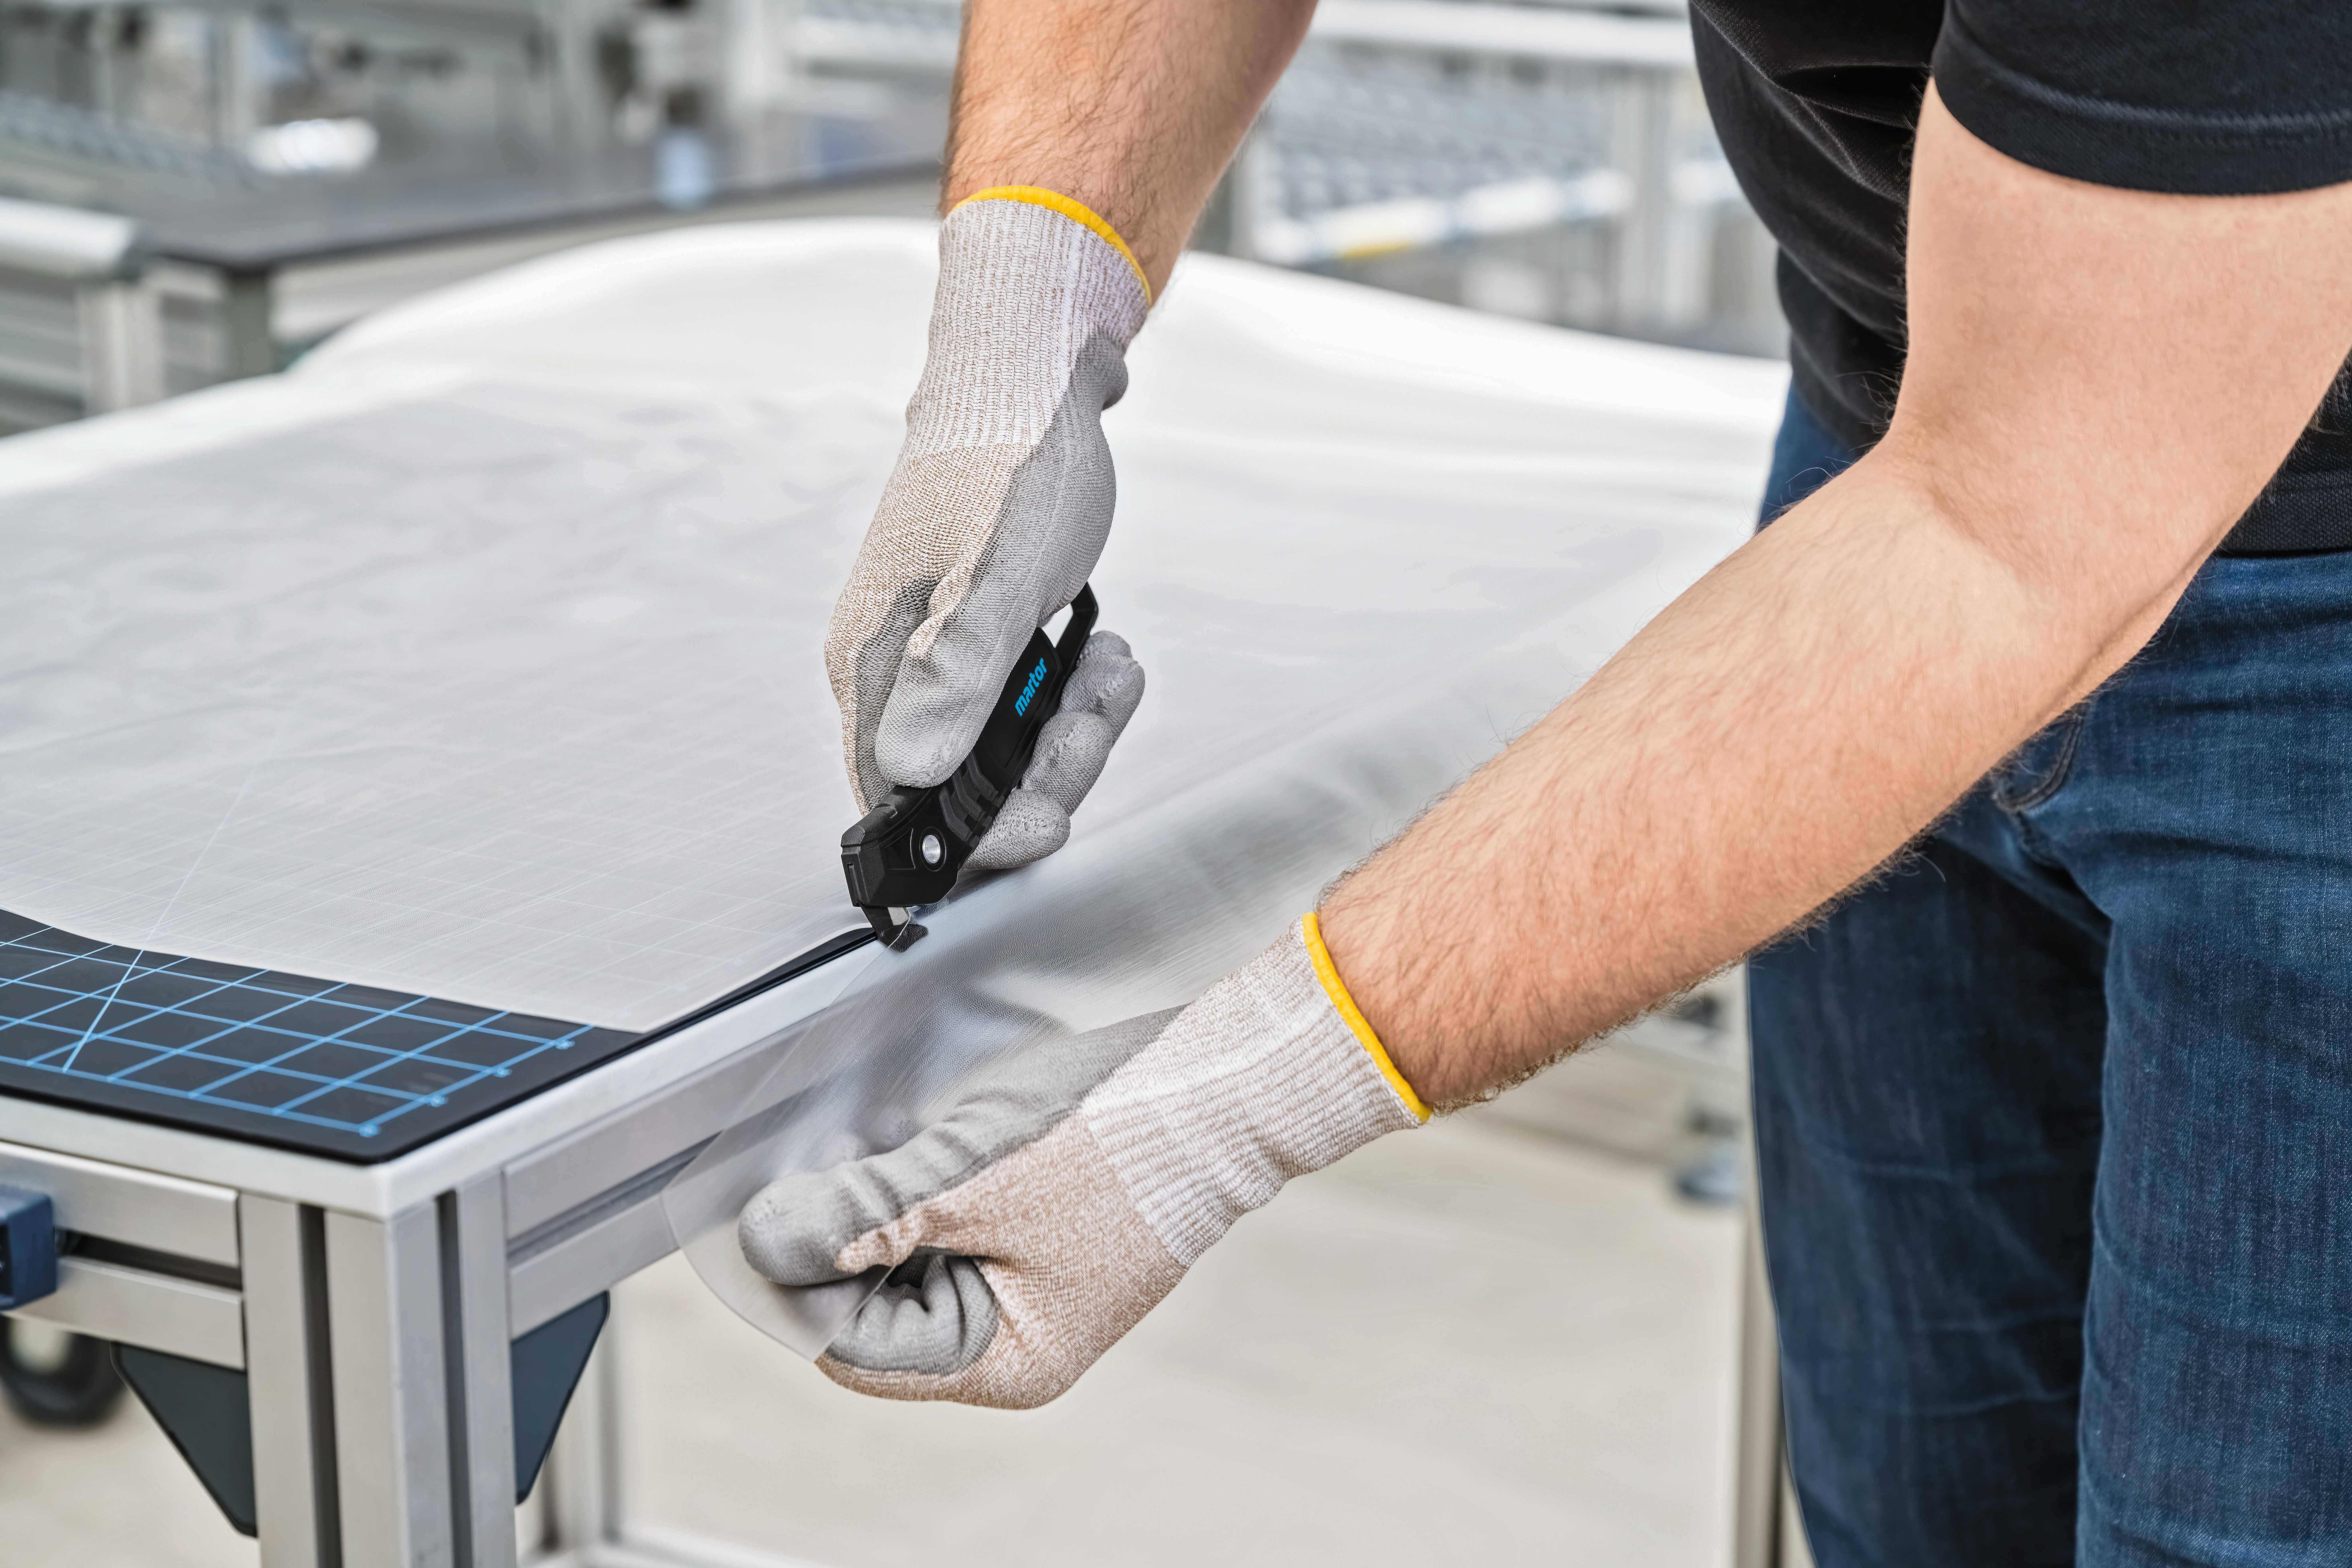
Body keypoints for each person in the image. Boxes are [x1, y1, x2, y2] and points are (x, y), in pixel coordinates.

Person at [743, 0, 2352, 1559]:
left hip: (2242, 579)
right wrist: (1019, 343)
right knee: (1917, 1498)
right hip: (1895, 406)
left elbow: (2010, 526)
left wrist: (1219, 1111)